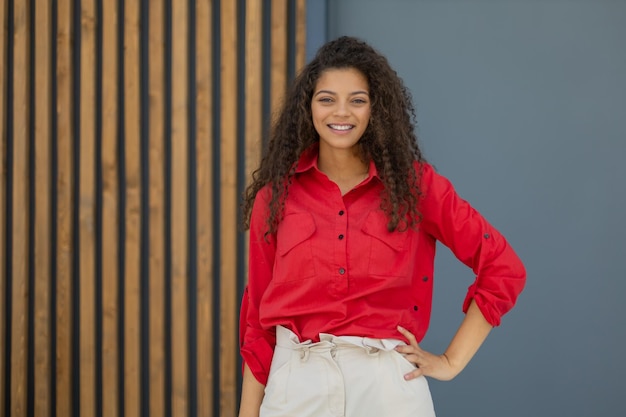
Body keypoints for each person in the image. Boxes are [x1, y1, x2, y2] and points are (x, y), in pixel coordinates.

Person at [238, 36, 526, 417]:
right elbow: (258, 324)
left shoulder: (415, 188)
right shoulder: (274, 198)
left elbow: (503, 268)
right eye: (327, 99)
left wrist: (451, 362)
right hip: (295, 389)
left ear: (376, 109)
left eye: (357, 100)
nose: (341, 112)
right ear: (307, 108)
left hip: (387, 393)